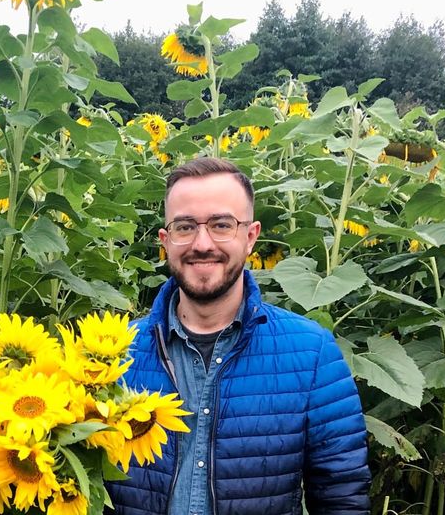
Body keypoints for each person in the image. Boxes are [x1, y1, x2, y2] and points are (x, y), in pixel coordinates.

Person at [107, 158, 370, 514]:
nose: (202, 243)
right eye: (185, 227)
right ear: (166, 241)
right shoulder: (111, 355)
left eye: (221, 225)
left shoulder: (312, 355)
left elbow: (342, 497)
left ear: (250, 237)